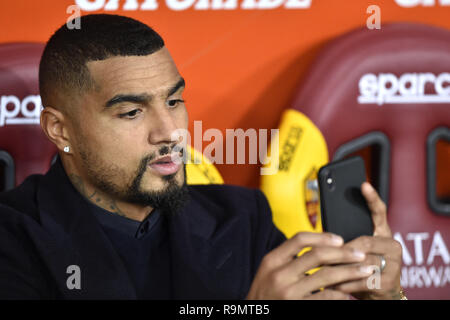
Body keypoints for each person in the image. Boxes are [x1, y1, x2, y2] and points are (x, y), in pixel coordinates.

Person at [0, 14, 404, 300]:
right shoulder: (13, 241)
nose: (170, 132)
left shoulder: (244, 219)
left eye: (174, 100)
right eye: (132, 112)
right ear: (60, 130)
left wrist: (386, 297)